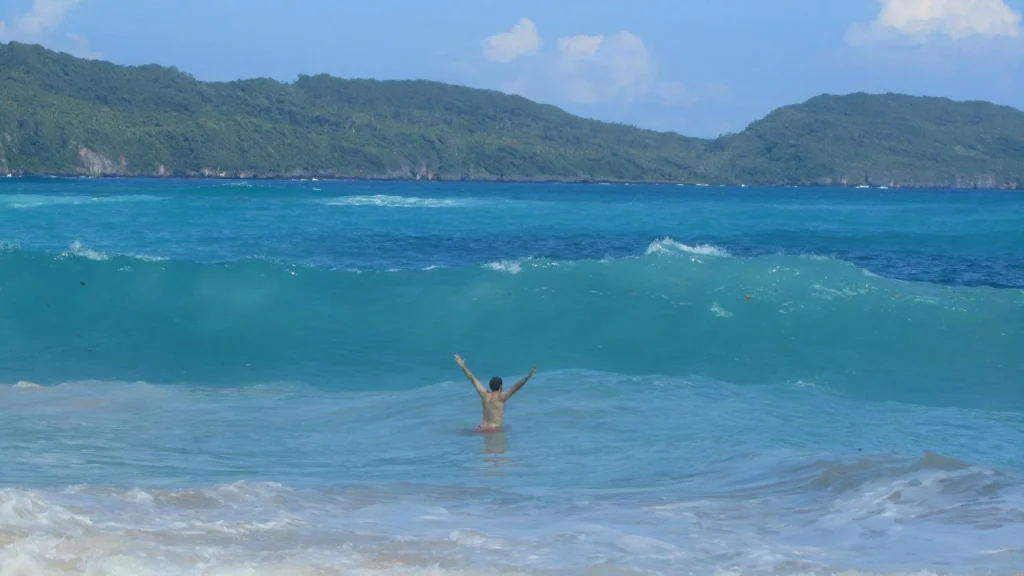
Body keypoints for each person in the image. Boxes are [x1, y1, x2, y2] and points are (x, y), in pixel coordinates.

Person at [454, 354, 536, 432]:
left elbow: (472, 378)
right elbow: (516, 386)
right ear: (500, 386)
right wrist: (528, 376)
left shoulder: (484, 394)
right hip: (493, 429)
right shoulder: (501, 397)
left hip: (480, 428)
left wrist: (462, 366)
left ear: (490, 386)